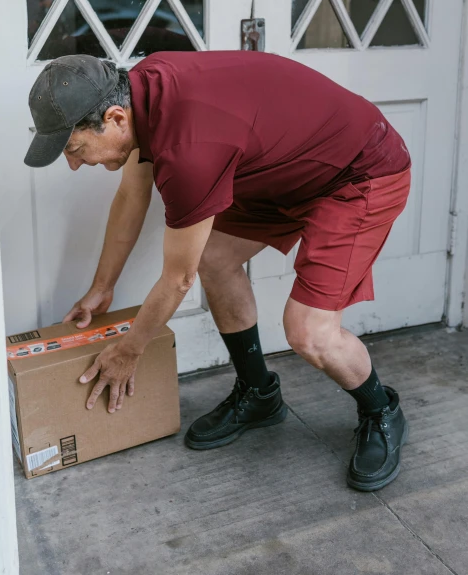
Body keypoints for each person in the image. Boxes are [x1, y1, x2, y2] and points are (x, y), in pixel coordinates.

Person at [24, 50, 411, 491]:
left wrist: (130, 350)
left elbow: (177, 279)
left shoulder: (188, 151)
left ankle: (382, 411)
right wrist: (102, 287)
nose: (74, 164)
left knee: (310, 333)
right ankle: (259, 394)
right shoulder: (137, 91)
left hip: (358, 173)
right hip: (288, 169)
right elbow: (133, 196)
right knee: (214, 256)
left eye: (74, 149)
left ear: (113, 118)